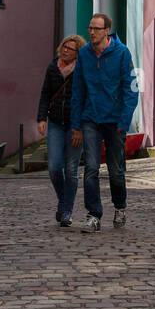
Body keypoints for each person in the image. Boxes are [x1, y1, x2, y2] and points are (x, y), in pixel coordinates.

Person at [70, 14, 138, 233]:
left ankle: (120, 207)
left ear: (107, 30)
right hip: (90, 118)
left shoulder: (122, 53)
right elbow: (78, 90)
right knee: (90, 168)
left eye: (97, 29)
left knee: (115, 170)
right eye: (90, 28)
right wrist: (76, 124)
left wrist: (123, 121)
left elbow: (131, 89)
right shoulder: (84, 54)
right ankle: (94, 215)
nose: (92, 32)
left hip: (115, 120)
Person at [37, 33, 86, 227]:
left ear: (77, 53)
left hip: (75, 125)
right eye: (64, 47)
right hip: (56, 123)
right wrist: (41, 118)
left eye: (70, 48)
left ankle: (66, 211)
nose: (65, 50)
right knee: (54, 167)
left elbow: (85, 99)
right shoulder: (52, 67)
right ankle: (64, 201)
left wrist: (80, 128)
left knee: (72, 170)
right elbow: (45, 93)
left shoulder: (82, 70)